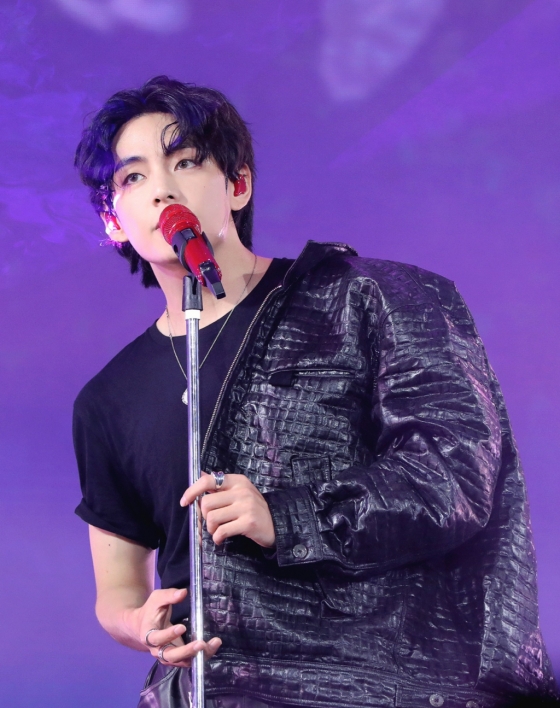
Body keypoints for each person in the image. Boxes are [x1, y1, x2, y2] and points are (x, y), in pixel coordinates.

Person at [73, 76, 558, 708]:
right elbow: (117, 588)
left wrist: (289, 516)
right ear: (114, 219)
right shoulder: (107, 400)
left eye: (186, 161)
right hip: (211, 690)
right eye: (133, 176)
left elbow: (457, 476)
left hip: (381, 683)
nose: (163, 187)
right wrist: (138, 624)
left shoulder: (370, 300)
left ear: (237, 184)